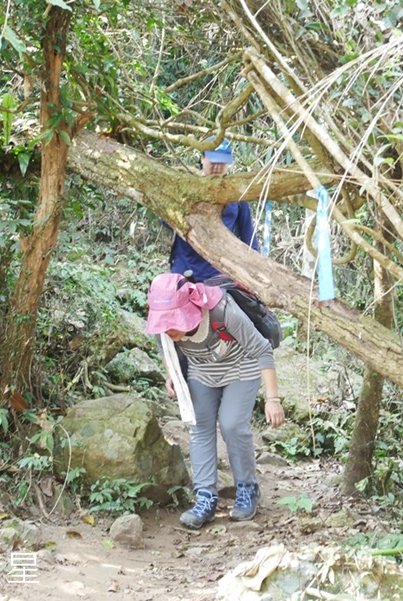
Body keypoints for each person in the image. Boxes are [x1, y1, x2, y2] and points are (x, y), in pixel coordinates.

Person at [145, 272, 285, 529]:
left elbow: (262, 349)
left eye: (173, 321)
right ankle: (205, 497)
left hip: (242, 367)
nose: (168, 328)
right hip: (202, 371)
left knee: (232, 425)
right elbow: (163, 349)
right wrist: (172, 375)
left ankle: (248, 489)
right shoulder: (162, 322)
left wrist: (272, 399)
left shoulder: (222, 310)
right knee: (199, 428)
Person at [169, 138, 260, 282]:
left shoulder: (236, 193)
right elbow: (166, 219)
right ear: (202, 158)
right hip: (184, 275)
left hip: (223, 278)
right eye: (213, 161)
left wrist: (256, 273)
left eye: (222, 162)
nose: (217, 167)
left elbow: (249, 237)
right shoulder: (185, 187)